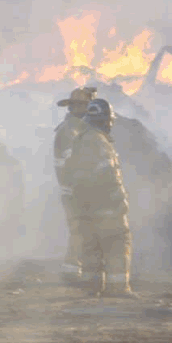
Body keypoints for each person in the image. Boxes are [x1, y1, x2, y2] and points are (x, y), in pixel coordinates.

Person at [63, 98, 134, 297]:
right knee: (118, 242)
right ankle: (118, 288)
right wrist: (121, 200)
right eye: (109, 120)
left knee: (91, 245)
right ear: (104, 120)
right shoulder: (99, 142)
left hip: (85, 205)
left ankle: (91, 287)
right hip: (107, 204)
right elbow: (108, 174)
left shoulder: (80, 139)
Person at [53, 86, 97, 284]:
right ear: (78, 107)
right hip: (75, 190)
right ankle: (71, 272)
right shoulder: (71, 129)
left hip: (78, 188)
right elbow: (74, 162)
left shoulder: (77, 126)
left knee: (83, 229)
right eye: (87, 106)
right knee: (80, 229)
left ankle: (75, 270)